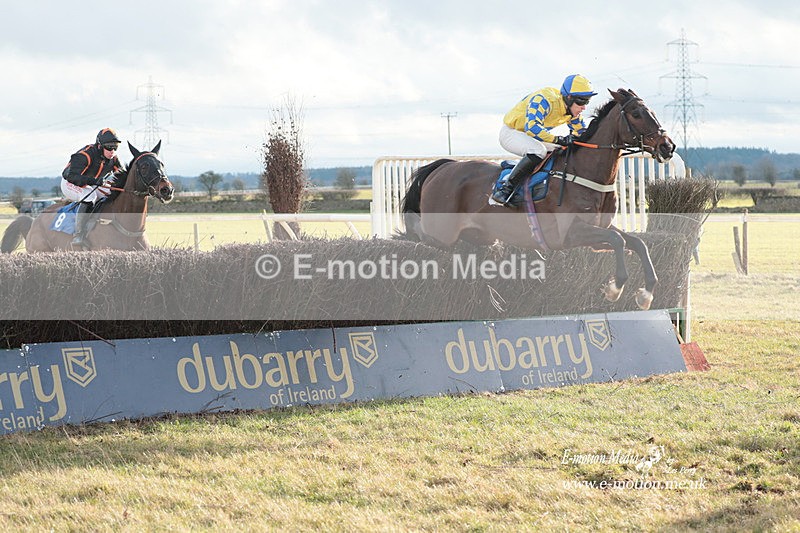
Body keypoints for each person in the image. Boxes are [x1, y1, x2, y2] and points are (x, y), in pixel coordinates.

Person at [490, 74, 597, 206]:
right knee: (538, 150)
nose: (584, 107)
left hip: (530, 136)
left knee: (561, 150)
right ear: (569, 98)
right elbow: (532, 127)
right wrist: (559, 139)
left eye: (587, 102)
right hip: (511, 133)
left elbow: (582, 133)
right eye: (581, 102)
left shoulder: (571, 111)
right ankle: (505, 190)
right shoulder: (544, 99)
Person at [60, 128, 126, 246]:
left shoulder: (113, 159)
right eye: (109, 147)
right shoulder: (84, 155)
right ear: (100, 146)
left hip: (91, 183)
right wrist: (94, 181)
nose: (112, 151)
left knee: (110, 194)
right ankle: (78, 235)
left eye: (115, 147)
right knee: (90, 196)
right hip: (69, 183)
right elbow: (70, 176)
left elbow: (121, 176)